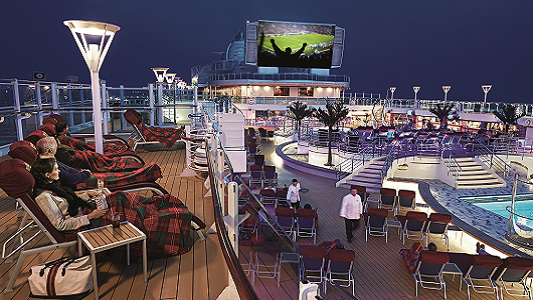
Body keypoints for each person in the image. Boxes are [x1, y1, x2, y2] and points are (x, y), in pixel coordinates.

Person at [30, 157, 199, 257]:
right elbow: (61, 225)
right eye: (56, 169)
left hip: (88, 209)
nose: (59, 171)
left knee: (119, 196)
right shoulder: (43, 197)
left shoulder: (53, 186)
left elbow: (70, 198)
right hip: (86, 221)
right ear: (46, 175)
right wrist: (91, 216)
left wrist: (90, 194)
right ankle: (162, 218)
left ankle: (160, 204)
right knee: (122, 207)